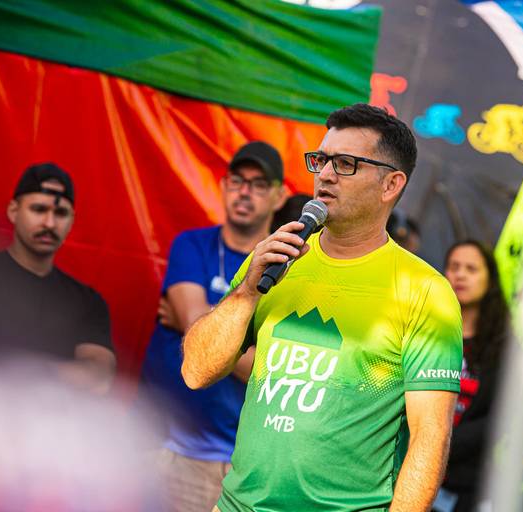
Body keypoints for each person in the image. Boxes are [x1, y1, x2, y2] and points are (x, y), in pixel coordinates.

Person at [182, 103, 463, 512]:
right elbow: (195, 372)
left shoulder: (425, 291)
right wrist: (246, 293)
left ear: (391, 185)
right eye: (321, 160)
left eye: (346, 164)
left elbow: (429, 438)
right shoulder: (275, 257)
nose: (326, 174)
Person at [140, 141, 287, 512]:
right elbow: (200, 334)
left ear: (279, 195)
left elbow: (270, 371)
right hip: (168, 448)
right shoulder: (191, 245)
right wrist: (239, 342)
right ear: (223, 186)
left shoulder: (287, 268)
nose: (244, 192)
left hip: (239, 462)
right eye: (237, 180)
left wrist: (200, 326)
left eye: (259, 184)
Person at [0, 163, 115, 394]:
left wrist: (14, 372)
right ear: (13, 211)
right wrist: (61, 373)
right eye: (39, 209)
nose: (49, 223)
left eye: (60, 213)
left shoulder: (87, 302)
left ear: (72, 220)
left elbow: (99, 377)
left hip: (55, 416)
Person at [436, 240, 509, 512]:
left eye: (471, 269)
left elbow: (503, 416)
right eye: (454, 267)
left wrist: (442, 442)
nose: (460, 275)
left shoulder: (505, 346)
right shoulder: (424, 331)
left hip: (469, 485)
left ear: (490, 280)